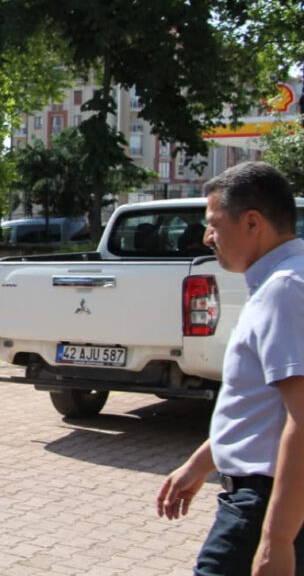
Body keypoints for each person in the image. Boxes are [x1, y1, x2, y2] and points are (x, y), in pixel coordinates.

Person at [157, 161, 304, 576]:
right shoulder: (286, 280)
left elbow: (302, 417)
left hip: (263, 502)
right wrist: (202, 463)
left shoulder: (284, 291)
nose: (207, 237)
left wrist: (276, 542)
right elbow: (263, 408)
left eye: (214, 224)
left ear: (253, 222)